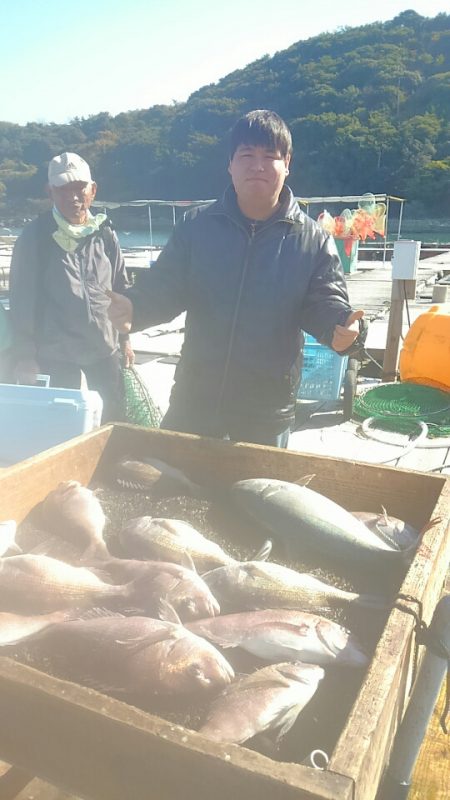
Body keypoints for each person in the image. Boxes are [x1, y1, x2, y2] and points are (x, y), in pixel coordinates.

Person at [107, 109, 367, 447]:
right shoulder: (196, 225)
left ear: (287, 163)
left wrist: (344, 329)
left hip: (266, 409)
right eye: (246, 155)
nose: (257, 165)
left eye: (269, 156)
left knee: (258, 495)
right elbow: (166, 287)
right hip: (194, 399)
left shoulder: (313, 240)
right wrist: (134, 307)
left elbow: (325, 302)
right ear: (230, 163)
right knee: (173, 487)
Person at [9, 152, 134, 422]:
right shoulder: (35, 237)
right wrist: (25, 356)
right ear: (50, 191)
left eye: (79, 188)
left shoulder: (105, 232)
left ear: (93, 190)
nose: (73, 197)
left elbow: (120, 289)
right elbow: (21, 301)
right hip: (55, 352)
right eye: (63, 189)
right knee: (61, 425)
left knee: (115, 420)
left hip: (104, 346)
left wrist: (125, 340)